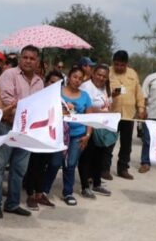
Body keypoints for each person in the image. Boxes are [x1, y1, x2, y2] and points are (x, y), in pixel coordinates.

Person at [0, 45, 44, 219]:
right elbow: (7, 101)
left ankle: (12, 203)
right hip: (7, 126)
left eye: (32, 58)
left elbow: (40, 106)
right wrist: (27, 108)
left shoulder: (39, 82)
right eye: (25, 57)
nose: (28, 61)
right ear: (20, 58)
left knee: (19, 169)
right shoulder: (9, 75)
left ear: (37, 62)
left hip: (25, 131)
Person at [41, 66, 95, 206]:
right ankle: (44, 191)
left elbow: (90, 117)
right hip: (59, 133)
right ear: (69, 77)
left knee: (71, 164)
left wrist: (88, 135)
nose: (77, 80)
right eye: (74, 77)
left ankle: (68, 192)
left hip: (78, 134)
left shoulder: (85, 96)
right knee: (54, 163)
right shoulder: (57, 92)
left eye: (80, 79)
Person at [24, 70, 64, 209]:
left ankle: (39, 194)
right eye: (52, 82)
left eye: (58, 84)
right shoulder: (38, 96)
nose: (54, 85)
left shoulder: (59, 100)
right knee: (33, 166)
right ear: (46, 82)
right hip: (35, 136)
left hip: (49, 137)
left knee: (44, 166)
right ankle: (30, 195)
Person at [108, 50, 146, 180]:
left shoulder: (133, 74)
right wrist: (111, 95)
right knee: (108, 143)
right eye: (116, 64)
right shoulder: (107, 72)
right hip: (111, 114)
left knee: (126, 144)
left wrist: (141, 108)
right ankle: (104, 169)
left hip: (128, 116)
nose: (119, 67)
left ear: (126, 64)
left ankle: (123, 168)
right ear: (113, 62)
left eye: (122, 65)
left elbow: (138, 93)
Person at [78, 64, 113, 198]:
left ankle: (97, 183)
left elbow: (108, 103)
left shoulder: (105, 88)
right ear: (93, 74)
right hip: (88, 126)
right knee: (86, 156)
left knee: (100, 156)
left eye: (104, 76)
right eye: (99, 74)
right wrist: (101, 112)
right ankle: (85, 186)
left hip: (102, 127)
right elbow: (86, 106)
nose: (101, 78)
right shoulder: (86, 87)